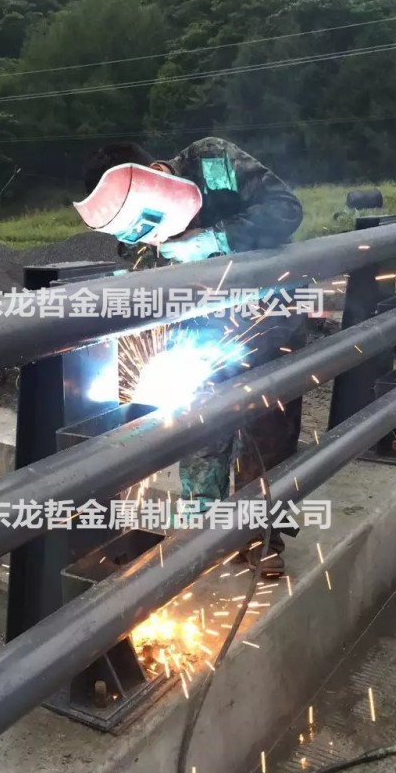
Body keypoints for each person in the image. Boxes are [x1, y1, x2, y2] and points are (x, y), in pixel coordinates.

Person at [82, 137, 306, 576]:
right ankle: (202, 531)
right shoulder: (134, 221)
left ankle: (261, 535)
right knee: (199, 427)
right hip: (198, 326)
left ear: (155, 178)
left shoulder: (210, 161)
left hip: (267, 317)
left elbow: (285, 210)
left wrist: (215, 239)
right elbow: (139, 269)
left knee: (267, 432)